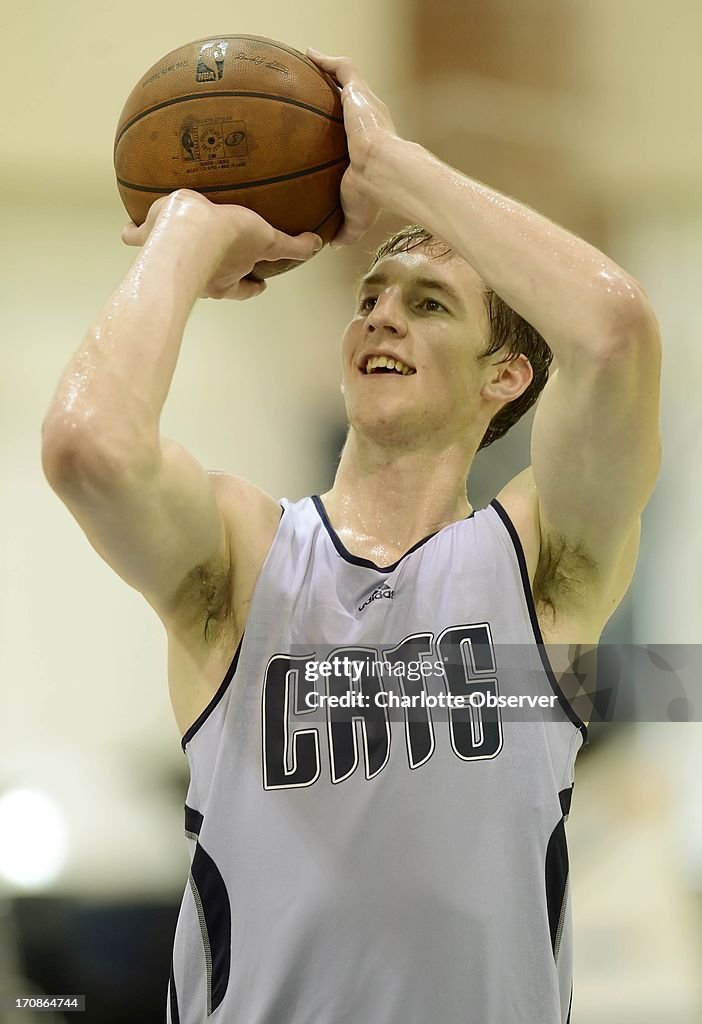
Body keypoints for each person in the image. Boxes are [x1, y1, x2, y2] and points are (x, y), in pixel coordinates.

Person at [42, 47, 661, 1024]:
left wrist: (394, 168)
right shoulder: (247, 554)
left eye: (428, 303)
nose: (381, 317)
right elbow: (88, 447)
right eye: (371, 296)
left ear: (505, 376)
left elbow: (614, 332)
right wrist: (188, 232)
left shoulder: (540, 568)